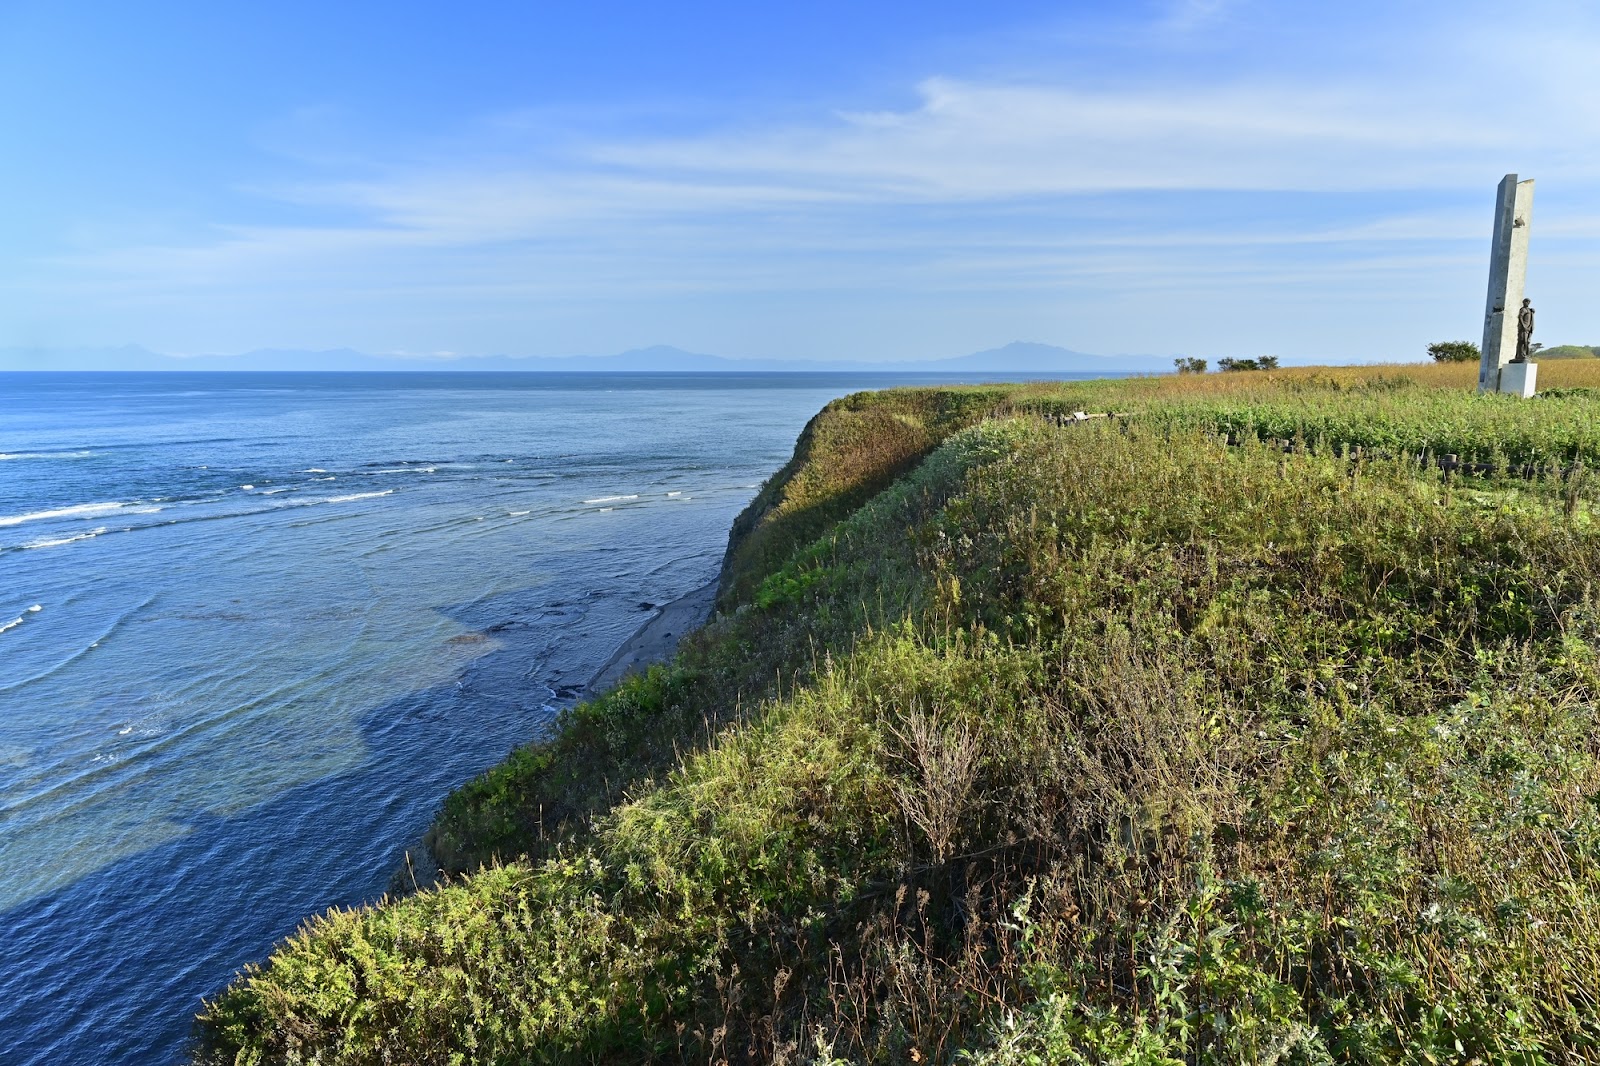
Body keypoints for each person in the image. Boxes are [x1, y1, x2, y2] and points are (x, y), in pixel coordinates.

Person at [1514, 298, 1535, 362]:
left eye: (1528, 302)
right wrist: (1523, 326)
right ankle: (1520, 355)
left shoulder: (1528, 310)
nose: (1527, 303)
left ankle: (1525, 354)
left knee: (1527, 342)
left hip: (1528, 329)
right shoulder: (1523, 309)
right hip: (1523, 328)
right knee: (1522, 341)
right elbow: (1520, 317)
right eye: (1526, 302)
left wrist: (1532, 312)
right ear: (1523, 302)